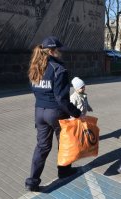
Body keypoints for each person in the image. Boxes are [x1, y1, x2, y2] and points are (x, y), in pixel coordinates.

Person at [25, 36, 81, 192]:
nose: (60, 53)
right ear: (51, 51)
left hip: (39, 111)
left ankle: (32, 181)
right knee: (64, 143)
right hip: (55, 112)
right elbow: (62, 99)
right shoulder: (59, 70)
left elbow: (34, 90)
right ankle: (64, 171)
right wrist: (75, 112)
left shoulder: (35, 67)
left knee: (42, 147)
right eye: (58, 49)